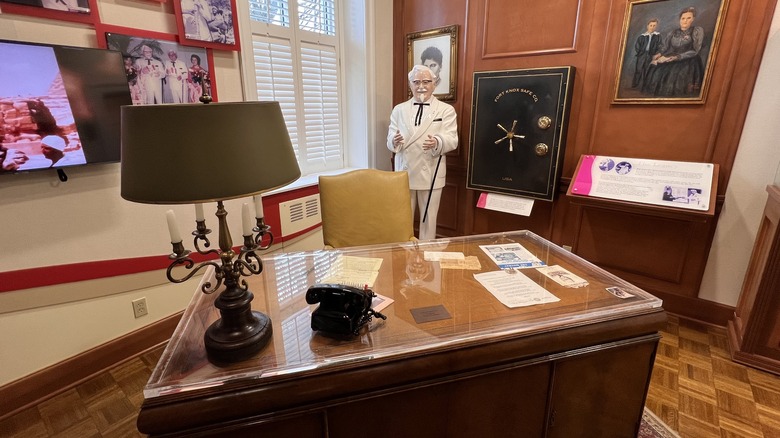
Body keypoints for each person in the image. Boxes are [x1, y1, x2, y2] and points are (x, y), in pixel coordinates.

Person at [387, 65, 458, 240]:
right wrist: (393, 141)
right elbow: (390, 137)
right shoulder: (399, 110)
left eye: (426, 81)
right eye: (416, 82)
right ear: (410, 84)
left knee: (428, 217)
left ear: (434, 84)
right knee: (403, 218)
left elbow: (453, 139)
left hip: (431, 169)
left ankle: (427, 251)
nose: (421, 86)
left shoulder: (446, 110)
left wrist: (437, 142)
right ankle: (404, 251)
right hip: (405, 171)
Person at [642, 7, 705, 97]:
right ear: (680, 19)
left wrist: (677, 57)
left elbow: (695, 50)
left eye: (688, 18)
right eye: (683, 18)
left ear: (693, 19)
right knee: (655, 66)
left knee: (675, 75)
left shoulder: (697, 31)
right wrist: (659, 54)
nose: (685, 21)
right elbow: (665, 46)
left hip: (689, 59)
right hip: (672, 56)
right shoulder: (673, 32)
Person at [632, 18, 661, 88]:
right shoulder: (642, 36)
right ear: (647, 26)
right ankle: (635, 84)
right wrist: (640, 53)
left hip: (651, 55)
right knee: (639, 69)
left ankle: (645, 85)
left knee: (647, 69)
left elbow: (659, 45)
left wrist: (656, 53)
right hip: (642, 55)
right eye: (651, 25)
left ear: (656, 27)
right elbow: (637, 46)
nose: (652, 27)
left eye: (654, 26)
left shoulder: (657, 36)